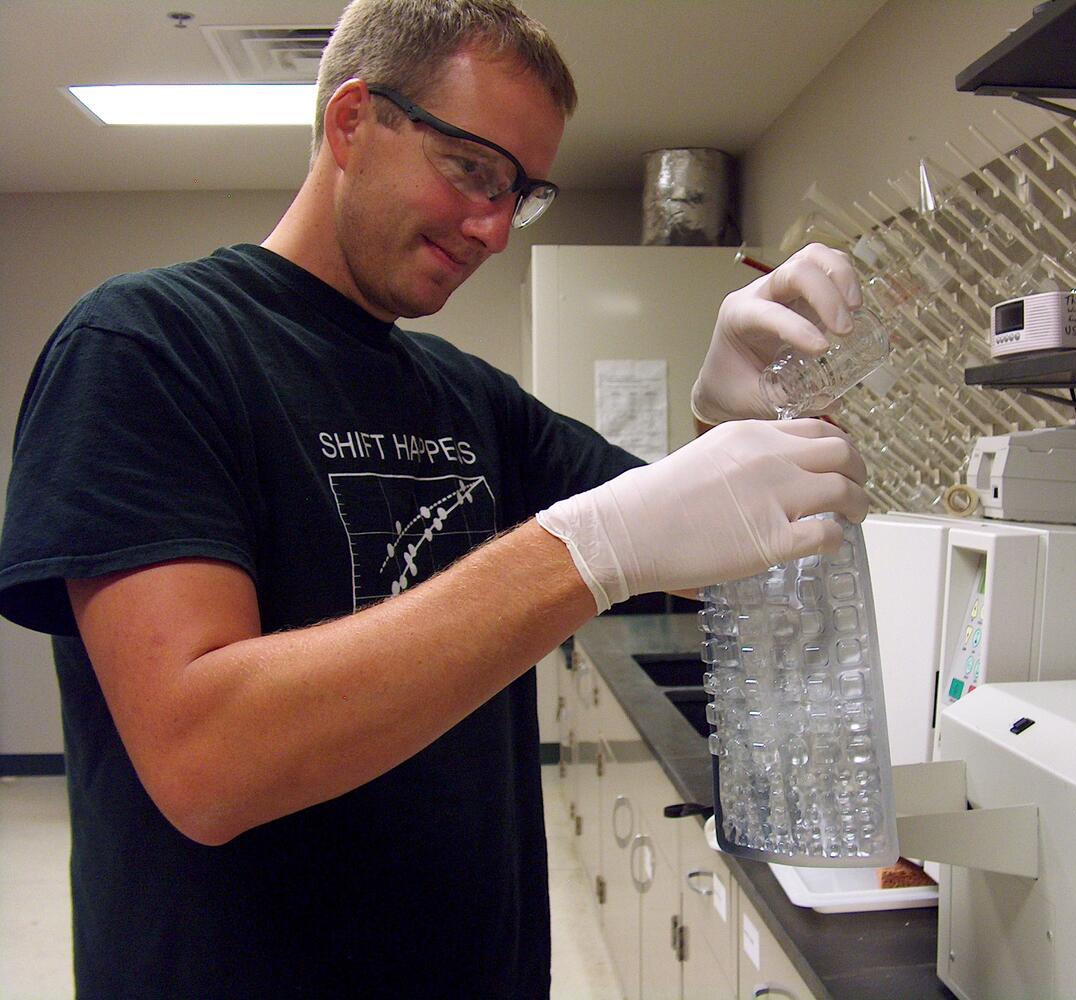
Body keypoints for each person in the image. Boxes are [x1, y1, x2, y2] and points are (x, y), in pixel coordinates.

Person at [0, 1, 868, 996]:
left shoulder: (464, 394)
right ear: (352, 121)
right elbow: (207, 760)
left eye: (522, 193)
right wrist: (578, 550)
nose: (493, 227)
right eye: (472, 169)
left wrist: (731, 418)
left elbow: (688, 556)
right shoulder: (150, 347)